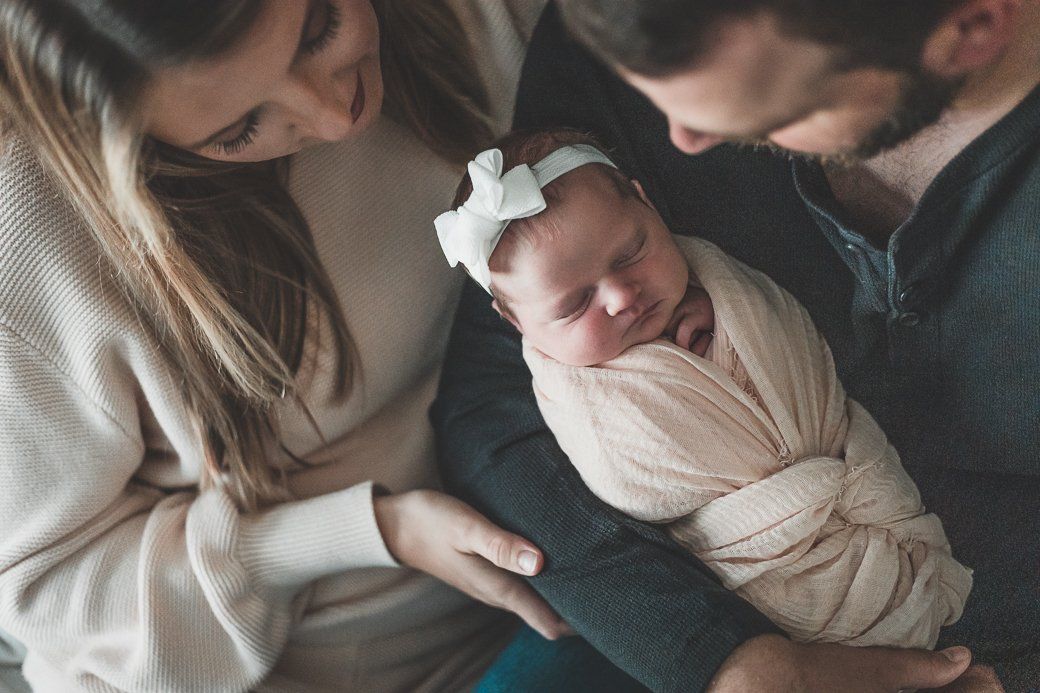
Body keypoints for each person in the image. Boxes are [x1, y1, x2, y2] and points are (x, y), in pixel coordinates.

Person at [0, 1, 649, 691]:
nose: (336, 116)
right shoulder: (32, 240)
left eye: (318, 31)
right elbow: (54, 596)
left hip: (593, 563)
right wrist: (372, 529)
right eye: (239, 129)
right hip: (293, 665)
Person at [432, 1, 1039, 690]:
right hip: (711, 613)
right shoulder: (634, 32)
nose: (683, 138)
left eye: (777, 107)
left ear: (970, 30)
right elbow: (489, 411)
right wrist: (721, 658)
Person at [436, 128, 972, 649]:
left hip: (849, 461)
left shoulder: (713, 278)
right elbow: (635, 486)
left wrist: (723, 329)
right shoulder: (582, 396)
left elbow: (788, 337)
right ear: (516, 324)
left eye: (630, 255)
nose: (623, 296)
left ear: (647, 206)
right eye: (575, 306)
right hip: (760, 547)